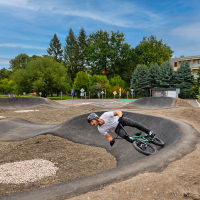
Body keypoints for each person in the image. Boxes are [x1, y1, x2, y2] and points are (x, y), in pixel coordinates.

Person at [87, 111, 154, 147]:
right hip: (116, 128)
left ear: (96, 118)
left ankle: (149, 132)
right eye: (90, 123)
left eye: (92, 121)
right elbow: (108, 136)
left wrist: (120, 117)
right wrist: (111, 141)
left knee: (134, 124)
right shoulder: (100, 129)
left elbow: (118, 112)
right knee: (126, 137)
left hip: (120, 120)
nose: (92, 124)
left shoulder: (105, 115)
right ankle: (140, 144)